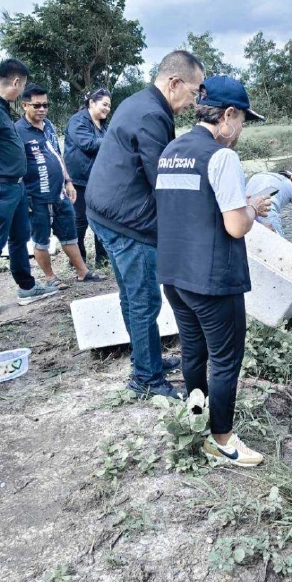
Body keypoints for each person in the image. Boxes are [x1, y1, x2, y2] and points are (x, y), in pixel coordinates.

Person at [155, 75, 271, 467]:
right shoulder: (221, 157)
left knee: (193, 348)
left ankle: (197, 419)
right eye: (242, 121)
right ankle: (222, 439)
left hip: (173, 274)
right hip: (211, 279)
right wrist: (254, 207)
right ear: (228, 114)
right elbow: (236, 225)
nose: (240, 131)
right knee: (224, 358)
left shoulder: (172, 150)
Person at [85, 51, 205, 398]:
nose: (194, 101)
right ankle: (146, 379)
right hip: (127, 221)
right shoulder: (153, 114)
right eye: (194, 92)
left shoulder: (139, 101)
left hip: (104, 210)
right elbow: (163, 180)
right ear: (175, 83)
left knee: (130, 296)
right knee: (144, 300)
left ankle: (146, 357)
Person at [0, 59, 58, 318]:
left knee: (19, 239)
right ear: (16, 82)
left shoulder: (0, 107)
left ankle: (26, 287)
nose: (22, 92)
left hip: (16, 187)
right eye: (23, 86)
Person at [15, 84, 103, 288]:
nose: (42, 109)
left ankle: (82, 272)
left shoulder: (49, 126)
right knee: (41, 239)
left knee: (69, 233)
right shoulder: (18, 131)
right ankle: (50, 277)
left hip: (59, 193)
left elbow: (57, 155)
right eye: (37, 106)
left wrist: (68, 181)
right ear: (24, 105)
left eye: (45, 105)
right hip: (36, 196)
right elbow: (15, 166)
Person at [64, 88, 111, 268]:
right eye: (104, 104)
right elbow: (88, 143)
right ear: (92, 103)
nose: (107, 109)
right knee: (80, 220)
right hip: (79, 180)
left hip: (99, 179)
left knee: (101, 217)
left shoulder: (103, 123)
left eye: (109, 106)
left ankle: (103, 258)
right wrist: (113, 139)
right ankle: (77, 259)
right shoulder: (78, 121)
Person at [246, 170, 292, 253]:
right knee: (281, 254)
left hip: (244, 214)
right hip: (267, 213)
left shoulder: (257, 175)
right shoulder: (290, 185)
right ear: (291, 179)